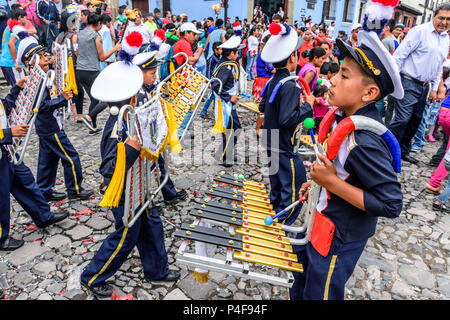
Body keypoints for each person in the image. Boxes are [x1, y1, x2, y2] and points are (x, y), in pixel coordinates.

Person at [291, 2, 404, 299]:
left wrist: (331, 184)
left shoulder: (364, 141)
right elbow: (340, 173)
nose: (332, 81)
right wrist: (318, 184)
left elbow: (391, 204)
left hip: (340, 238)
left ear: (369, 93)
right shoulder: (343, 119)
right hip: (323, 223)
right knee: (303, 285)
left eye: (343, 75)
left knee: (322, 293)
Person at [80, 37, 180, 298]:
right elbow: (109, 167)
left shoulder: (131, 117)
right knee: (125, 237)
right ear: (132, 96)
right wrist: (132, 151)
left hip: (140, 184)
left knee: (152, 224)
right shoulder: (118, 126)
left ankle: (157, 270)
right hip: (124, 190)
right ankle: (92, 276)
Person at [0, 75, 70, 251]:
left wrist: (16, 88)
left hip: (7, 152)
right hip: (3, 148)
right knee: (1, 199)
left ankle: (43, 216)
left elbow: (4, 108)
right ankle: (1, 238)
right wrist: (9, 133)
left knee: (26, 182)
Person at [18, 42, 94, 202]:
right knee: (71, 157)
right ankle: (75, 189)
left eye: (45, 56)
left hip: (47, 126)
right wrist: (62, 99)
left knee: (48, 160)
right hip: (51, 127)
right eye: (40, 58)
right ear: (29, 63)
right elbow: (41, 106)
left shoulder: (41, 76)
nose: (45, 60)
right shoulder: (37, 80)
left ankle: (44, 190)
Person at [259, 22, 314, 225]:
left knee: (278, 182)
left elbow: (262, 107)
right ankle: (283, 223)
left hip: (271, 141)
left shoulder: (273, 81)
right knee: (293, 187)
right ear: (292, 57)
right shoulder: (290, 85)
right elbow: (286, 119)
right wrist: (307, 107)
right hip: (284, 146)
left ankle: (275, 212)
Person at [388, 2, 450, 165]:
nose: (444, 22)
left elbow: (438, 67)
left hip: (424, 86)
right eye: (441, 18)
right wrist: (394, 81)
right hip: (407, 81)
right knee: (402, 119)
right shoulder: (419, 32)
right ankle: (385, 150)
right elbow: (399, 56)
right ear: (434, 16)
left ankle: (403, 152)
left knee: (415, 120)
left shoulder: (445, 39)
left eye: (448, 19)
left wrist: (434, 89)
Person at [133, 50, 188, 205]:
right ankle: (144, 200)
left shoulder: (153, 87)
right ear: (140, 74)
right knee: (145, 171)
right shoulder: (138, 94)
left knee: (160, 165)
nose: (155, 76)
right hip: (142, 141)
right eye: (152, 73)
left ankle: (168, 193)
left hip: (154, 136)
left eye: (155, 72)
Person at [77, 12, 121, 135]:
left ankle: (93, 128)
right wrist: (115, 49)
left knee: (94, 99)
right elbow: (102, 57)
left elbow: (77, 52)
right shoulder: (96, 36)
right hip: (91, 71)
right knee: (107, 98)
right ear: (98, 23)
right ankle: (89, 117)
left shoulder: (80, 34)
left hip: (80, 71)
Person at [210, 33, 245, 167]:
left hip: (229, 103)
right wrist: (229, 97)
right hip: (226, 104)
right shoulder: (226, 67)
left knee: (231, 129)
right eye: (237, 52)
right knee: (234, 129)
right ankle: (225, 156)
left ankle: (224, 153)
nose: (238, 54)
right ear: (231, 53)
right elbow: (215, 85)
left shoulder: (226, 63)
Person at [55, 8, 83, 122]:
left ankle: (65, 109)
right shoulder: (74, 36)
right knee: (78, 91)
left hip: (62, 68)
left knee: (67, 90)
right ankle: (79, 116)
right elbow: (77, 52)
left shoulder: (59, 36)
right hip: (73, 67)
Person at [200, 41, 222, 118]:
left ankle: (211, 110)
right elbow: (208, 70)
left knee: (214, 96)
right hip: (212, 81)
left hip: (216, 80)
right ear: (215, 50)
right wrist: (209, 81)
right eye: (220, 49)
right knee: (211, 97)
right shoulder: (212, 58)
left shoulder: (218, 57)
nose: (221, 50)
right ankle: (203, 111)